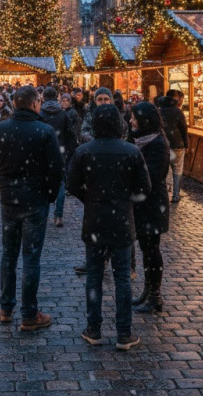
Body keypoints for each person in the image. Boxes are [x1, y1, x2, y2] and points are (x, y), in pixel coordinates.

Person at [66, 104, 150, 350]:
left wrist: (90, 198)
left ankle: (94, 329)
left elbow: (72, 184)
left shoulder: (84, 151)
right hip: (122, 220)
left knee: (94, 275)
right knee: (122, 277)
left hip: (95, 220)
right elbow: (145, 188)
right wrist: (125, 201)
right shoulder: (131, 151)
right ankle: (124, 333)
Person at [0, 84, 64, 332]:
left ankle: (6, 308)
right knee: (31, 257)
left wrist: (3, 185)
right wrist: (49, 194)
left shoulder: (1, 129)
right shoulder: (45, 130)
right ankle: (29, 313)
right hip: (35, 199)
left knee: (9, 254)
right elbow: (56, 168)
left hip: (10, 200)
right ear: (34, 104)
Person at [130, 101, 170, 313]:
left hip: (153, 204)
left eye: (134, 117)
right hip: (143, 203)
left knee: (152, 249)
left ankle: (155, 295)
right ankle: (148, 290)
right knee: (146, 248)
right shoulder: (142, 139)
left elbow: (153, 176)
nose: (131, 121)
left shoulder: (158, 143)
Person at [39, 86, 77, 228]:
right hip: (60, 151)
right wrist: (69, 149)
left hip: (43, 152)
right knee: (60, 183)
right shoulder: (63, 114)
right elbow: (71, 133)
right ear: (57, 98)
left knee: (43, 183)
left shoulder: (40, 113)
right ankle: (58, 215)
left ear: (43, 97)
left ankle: (43, 214)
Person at [156, 89, 188, 202]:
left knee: (163, 170)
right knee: (177, 170)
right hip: (177, 144)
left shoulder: (159, 111)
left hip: (163, 144)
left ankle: (163, 194)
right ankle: (175, 195)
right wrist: (186, 144)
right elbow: (183, 129)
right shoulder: (178, 111)